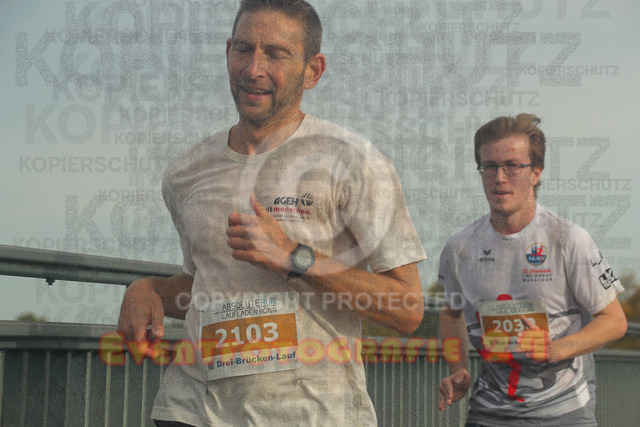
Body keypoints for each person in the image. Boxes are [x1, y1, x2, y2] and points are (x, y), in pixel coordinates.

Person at [117, 0, 426, 425]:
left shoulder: (354, 162)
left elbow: (407, 309)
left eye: (276, 54)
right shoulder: (185, 173)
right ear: (228, 52)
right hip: (190, 410)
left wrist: (295, 258)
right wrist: (147, 289)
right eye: (244, 49)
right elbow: (205, 283)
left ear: (313, 70)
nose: (254, 69)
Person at [437, 113, 627, 426]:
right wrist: (457, 368)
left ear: (536, 173)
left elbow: (615, 321)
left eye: (512, 166)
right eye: (489, 166)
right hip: (488, 412)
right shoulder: (460, 247)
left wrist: (556, 349)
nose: (499, 177)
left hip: (564, 413)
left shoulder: (569, 239)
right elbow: (451, 313)